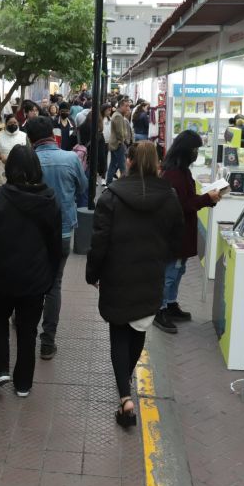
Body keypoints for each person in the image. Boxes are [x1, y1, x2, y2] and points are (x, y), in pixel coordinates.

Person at [86, 142, 183, 428]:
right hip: (150, 275)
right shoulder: (169, 197)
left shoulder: (111, 196)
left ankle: (125, 397)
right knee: (139, 327)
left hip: (118, 274)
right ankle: (125, 387)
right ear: (156, 163)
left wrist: (93, 273)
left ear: (128, 161)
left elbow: (99, 241)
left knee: (118, 331)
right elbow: (176, 238)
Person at [0, 146, 62, 397]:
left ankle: (1, 367)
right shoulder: (49, 199)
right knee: (28, 329)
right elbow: (54, 244)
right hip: (35, 278)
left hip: (2, 276)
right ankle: (23, 383)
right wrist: (50, 276)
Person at [25, 117, 87, 360]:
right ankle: (48, 342)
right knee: (54, 285)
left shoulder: (29, 161)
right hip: (62, 232)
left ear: (31, 139)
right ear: (52, 134)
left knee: (28, 281)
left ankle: (23, 328)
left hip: (31, 232)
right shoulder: (71, 158)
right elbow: (82, 188)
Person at [154, 130, 222, 333]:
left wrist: (207, 199)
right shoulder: (174, 174)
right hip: (176, 233)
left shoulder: (181, 171)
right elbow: (183, 204)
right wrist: (206, 199)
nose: (196, 153)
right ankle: (161, 308)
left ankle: (171, 303)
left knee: (178, 269)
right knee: (171, 272)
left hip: (181, 231)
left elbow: (187, 200)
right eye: (194, 150)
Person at [106, 99, 133, 184]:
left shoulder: (118, 115)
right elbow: (120, 133)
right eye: (126, 106)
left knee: (113, 165)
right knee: (123, 167)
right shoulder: (118, 116)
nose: (128, 108)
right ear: (121, 106)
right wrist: (123, 141)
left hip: (116, 144)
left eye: (128, 106)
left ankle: (109, 183)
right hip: (118, 144)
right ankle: (123, 185)